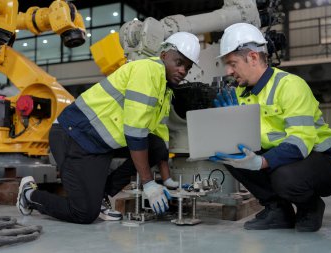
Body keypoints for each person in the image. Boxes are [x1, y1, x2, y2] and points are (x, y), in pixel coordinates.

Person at [16, 32, 200, 224]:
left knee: (156, 145)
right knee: (84, 213)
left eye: (187, 68)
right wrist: (148, 183)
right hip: (74, 136)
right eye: (178, 62)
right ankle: (29, 195)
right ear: (163, 56)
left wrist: (167, 179)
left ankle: (101, 195)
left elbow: (159, 136)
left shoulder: (165, 89)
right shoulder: (147, 71)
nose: (182, 71)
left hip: (99, 144)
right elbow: (135, 132)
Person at [211, 23, 331, 232]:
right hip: (280, 157)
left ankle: (310, 206)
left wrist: (261, 162)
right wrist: (225, 135)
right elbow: (245, 141)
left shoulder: (290, 85)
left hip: (323, 159)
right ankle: (278, 210)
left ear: (253, 58)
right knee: (229, 153)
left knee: (284, 177)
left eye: (232, 63)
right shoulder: (239, 93)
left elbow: (300, 142)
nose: (229, 71)